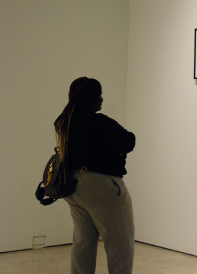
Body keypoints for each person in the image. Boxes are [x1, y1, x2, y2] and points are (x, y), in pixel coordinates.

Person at [55, 77, 136, 274]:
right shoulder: (98, 122)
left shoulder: (63, 121)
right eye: (99, 95)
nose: (101, 100)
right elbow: (129, 141)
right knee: (120, 243)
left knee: (83, 243)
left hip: (72, 187)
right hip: (101, 187)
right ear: (90, 98)